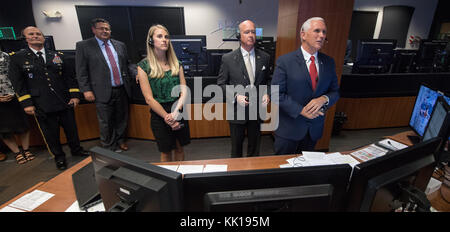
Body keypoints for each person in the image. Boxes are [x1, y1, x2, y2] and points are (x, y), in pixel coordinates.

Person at [8, 26, 89, 170]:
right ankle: (59, 157)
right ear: (25, 39)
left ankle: (76, 150)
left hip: (63, 100)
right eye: (31, 34)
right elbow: (18, 83)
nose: (35, 36)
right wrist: (27, 103)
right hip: (41, 103)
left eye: (38, 34)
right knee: (50, 133)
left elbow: (69, 78)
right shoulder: (17, 58)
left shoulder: (56, 55)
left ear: (43, 38)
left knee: (71, 129)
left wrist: (75, 96)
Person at [271, 17, 339, 155]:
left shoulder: (329, 62)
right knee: (282, 172)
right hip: (289, 130)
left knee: (305, 171)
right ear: (303, 34)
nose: (322, 35)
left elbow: (335, 92)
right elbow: (275, 93)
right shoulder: (285, 61)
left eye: (324, 32)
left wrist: (324, 99)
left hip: (313, 130)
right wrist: (301, 110)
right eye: (317, 31)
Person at [75, 18, 132, 152]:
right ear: (93, 30)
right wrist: (86, 90)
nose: (105, 31)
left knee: (121, 118)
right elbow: (80, 70)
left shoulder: (120, 45)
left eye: (107, 29)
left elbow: (127, 64)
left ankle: (120, 141)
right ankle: (108, 146)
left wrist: (137, 74)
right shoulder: (84, 46)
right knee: (105, 121)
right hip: (100, 90)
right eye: (101, 28)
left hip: (122, 88)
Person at [217, 20, 271, 158]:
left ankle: (252, 175)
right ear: (238, 35)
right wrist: (235, 96)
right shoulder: (228, 58)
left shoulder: (265, 57)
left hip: (257, 110)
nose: (251, 35)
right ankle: (236, 178)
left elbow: (269, 80)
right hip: (237, 111)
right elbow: (221, 84)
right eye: (247, 32)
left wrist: (268, 94)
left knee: (255, 148)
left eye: (253, 31)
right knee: (236, 149)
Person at [136, 24, 190, 162]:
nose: (164, 39)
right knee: (166, 151)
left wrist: (176, 112)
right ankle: (169, 183)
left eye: (166, 37)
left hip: (178, 109)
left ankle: (181, 180)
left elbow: (184, 91)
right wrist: (167, 117)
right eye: (159, 36)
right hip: (159, 114)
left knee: (179, 148)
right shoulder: (143, 66)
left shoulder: (177, 63)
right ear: (151, 41)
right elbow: (149, 99)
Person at [0, 49, 33, 164]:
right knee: (5, 130)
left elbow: (19, 76)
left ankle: (26, 150)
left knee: (23, 125)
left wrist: (16, 93)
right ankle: (17, 153)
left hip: (16, 96)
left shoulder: (9, 56)